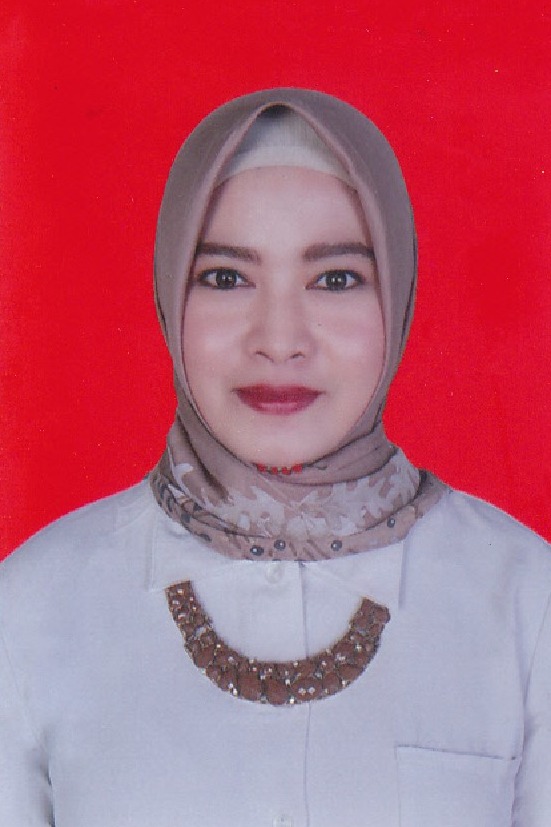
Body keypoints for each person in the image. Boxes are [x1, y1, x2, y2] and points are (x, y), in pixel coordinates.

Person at [0, 88, 550, 827]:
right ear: (169, 293)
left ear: (398, 295)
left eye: (335, 279)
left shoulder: (524, 601)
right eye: (226, 278)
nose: (280, 339)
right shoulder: (33, 608)